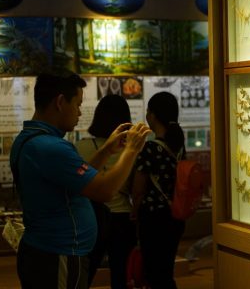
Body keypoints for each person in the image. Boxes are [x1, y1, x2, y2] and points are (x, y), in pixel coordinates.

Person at [10, 72, 151, 289]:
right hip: (60, 254)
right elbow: (104, 191)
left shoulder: (30, 140)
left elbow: (76, 181)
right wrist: (132, 149)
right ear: (59, 102)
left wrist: (106, 150)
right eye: (77, 104)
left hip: (46, 251)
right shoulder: (51, 147)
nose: (79, 112)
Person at [75, 94, 137, 289]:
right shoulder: (130, 149)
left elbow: (78, 180)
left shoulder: (81, 147)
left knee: (87, 269)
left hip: (92, 216)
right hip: (122, 217)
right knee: (120, 273)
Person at [131, 92, 187, 289]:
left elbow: (138, 190)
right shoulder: (179, 147)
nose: (146, 115)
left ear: (153, 115)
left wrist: (134, 213)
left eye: (148, 111)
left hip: (153, 218)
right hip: (176, 216)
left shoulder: (150, 148)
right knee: (165, 270)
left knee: (154, 274)